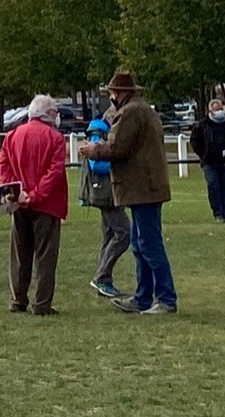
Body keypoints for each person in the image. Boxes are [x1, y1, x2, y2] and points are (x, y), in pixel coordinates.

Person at [80, 72, 178, 315]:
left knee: (149, 244)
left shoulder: (130, 112)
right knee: (139, 243)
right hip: (147, 187)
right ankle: (143, 297)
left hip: (142, 188)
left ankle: (166, 298)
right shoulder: (143, 109)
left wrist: (94, 149)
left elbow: (116, 147)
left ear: (119, 93)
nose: (110, 98)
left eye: (112, 93)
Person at [0, 94, 68, 315]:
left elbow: (3, 166)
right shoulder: (55, 138)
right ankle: (42, 303)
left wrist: (15, 192)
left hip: (18, 204)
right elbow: (54, 173)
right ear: (47, 114)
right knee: (45, 256)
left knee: (19, 254)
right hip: (46, 204)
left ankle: (18, 299)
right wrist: (35, 195)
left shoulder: (12, 135)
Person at [78, 117, 130, 298]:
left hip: (106, 193)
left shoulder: (100, 131)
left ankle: (104, 279)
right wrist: (120, 163)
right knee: (123, 233)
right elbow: (96, 163)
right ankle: (102, 277)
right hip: (106, 194)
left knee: (109, 236)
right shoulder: (98, 133)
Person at [190, 99, 225, 222]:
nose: (220, 112)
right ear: (210, 111)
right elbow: (194, 141)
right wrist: (204, 155)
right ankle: (218, 213)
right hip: (210, 163)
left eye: (221, 109)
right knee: (213, 186)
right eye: (217, 109)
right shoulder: (202, 125)